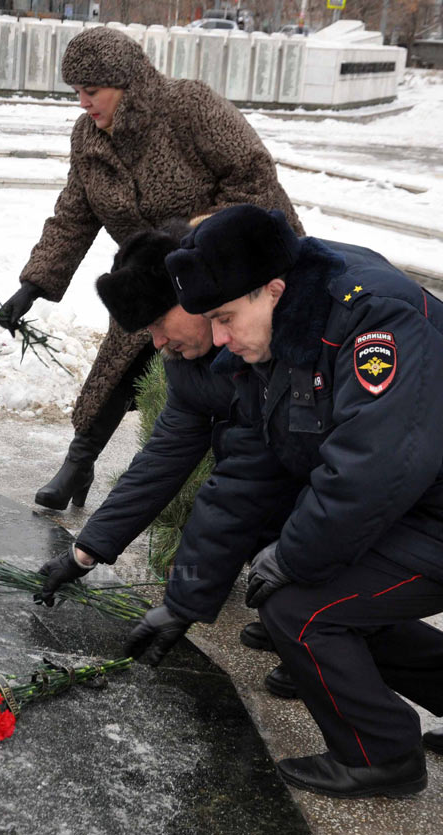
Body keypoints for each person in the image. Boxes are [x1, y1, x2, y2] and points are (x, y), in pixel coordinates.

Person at [128, 202, 443, 798]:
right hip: (419, 501)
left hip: (422, 502)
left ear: (272, 290)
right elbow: (251, 474)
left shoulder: (372, 321)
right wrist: (185, 601)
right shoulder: (281, 337)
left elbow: (370, 469)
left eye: (224, 318)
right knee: (333, 600)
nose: (218, 339)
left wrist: (291, 556)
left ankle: (382, 757)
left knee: (302, 607)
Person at [0, 25, 303, 511]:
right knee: (123, 351)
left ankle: (238, 489)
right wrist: (33, 285)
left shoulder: (188, 106)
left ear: (126, 83)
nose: (82, 103)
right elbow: (74, 213)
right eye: (77, 92)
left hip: (230, 268)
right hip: (153, 276)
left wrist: (195, 237)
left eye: (91, 91)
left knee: (236, 381)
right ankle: (80, 461)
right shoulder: (89, 138)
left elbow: (253, 175)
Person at [34, 221, 300, 663]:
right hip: (294, 475)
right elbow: (162, 459)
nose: (159, 344)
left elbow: (244, 481)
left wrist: (183, 603)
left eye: (159, 322)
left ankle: (321, 633)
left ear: (194, 294)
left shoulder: (259, 340)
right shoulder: (187, 361)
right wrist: (84, 551)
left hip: (350, 480)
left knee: (289, 549)